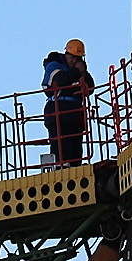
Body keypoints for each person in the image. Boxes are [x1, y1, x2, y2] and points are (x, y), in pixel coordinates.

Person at [42, 38, 97, 166]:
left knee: (75, 151)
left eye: (77, 58)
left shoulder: (78, 71)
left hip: (75, 115)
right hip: (58, 113)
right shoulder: (54, 65)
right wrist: (77, 71)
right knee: (61, 150)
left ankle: (75, 167)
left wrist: (83, 72)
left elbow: (90, 87)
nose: (73, 61)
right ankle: (60, 167)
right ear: (66, 54)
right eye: (71, 57)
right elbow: (58, 82)